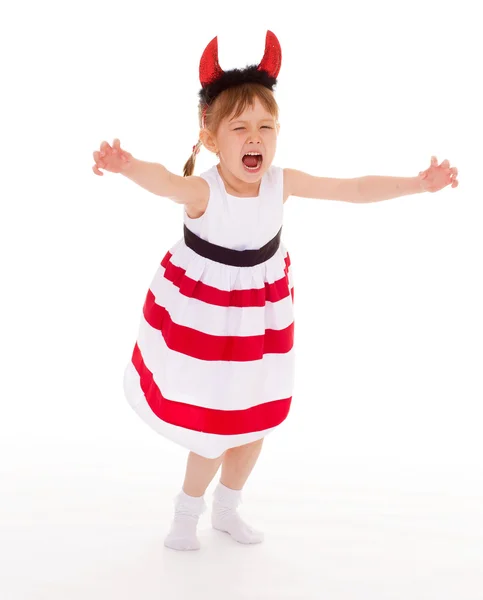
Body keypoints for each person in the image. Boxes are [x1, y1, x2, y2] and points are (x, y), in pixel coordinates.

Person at [92, 31, 459, 552]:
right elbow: (165, 182)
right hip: (207, 325)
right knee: (215, 430)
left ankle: (227, 509)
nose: (254, 138)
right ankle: (186, 512)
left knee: (256, 419)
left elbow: (351, 189)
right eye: (239, 127)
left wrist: (418, 184)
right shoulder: (206, 189)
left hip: (260, 321)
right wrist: (126, 166)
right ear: (212, 139)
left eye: (265, 126)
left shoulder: (280, 184)